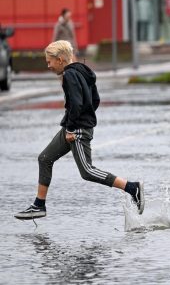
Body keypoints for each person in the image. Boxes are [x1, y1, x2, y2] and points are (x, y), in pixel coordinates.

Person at [14, 40, 144, 220]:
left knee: (87, 171)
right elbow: (95, 100)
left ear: (60, 59)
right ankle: (39, 205)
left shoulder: (69, 75)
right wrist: (79, 120)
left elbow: (76, 104)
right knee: (45, 158)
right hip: (72, 125)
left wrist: (73, 128)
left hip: (76, 129)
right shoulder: (83, 71)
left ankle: (132, 187)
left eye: (49, 61)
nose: (48, 65)